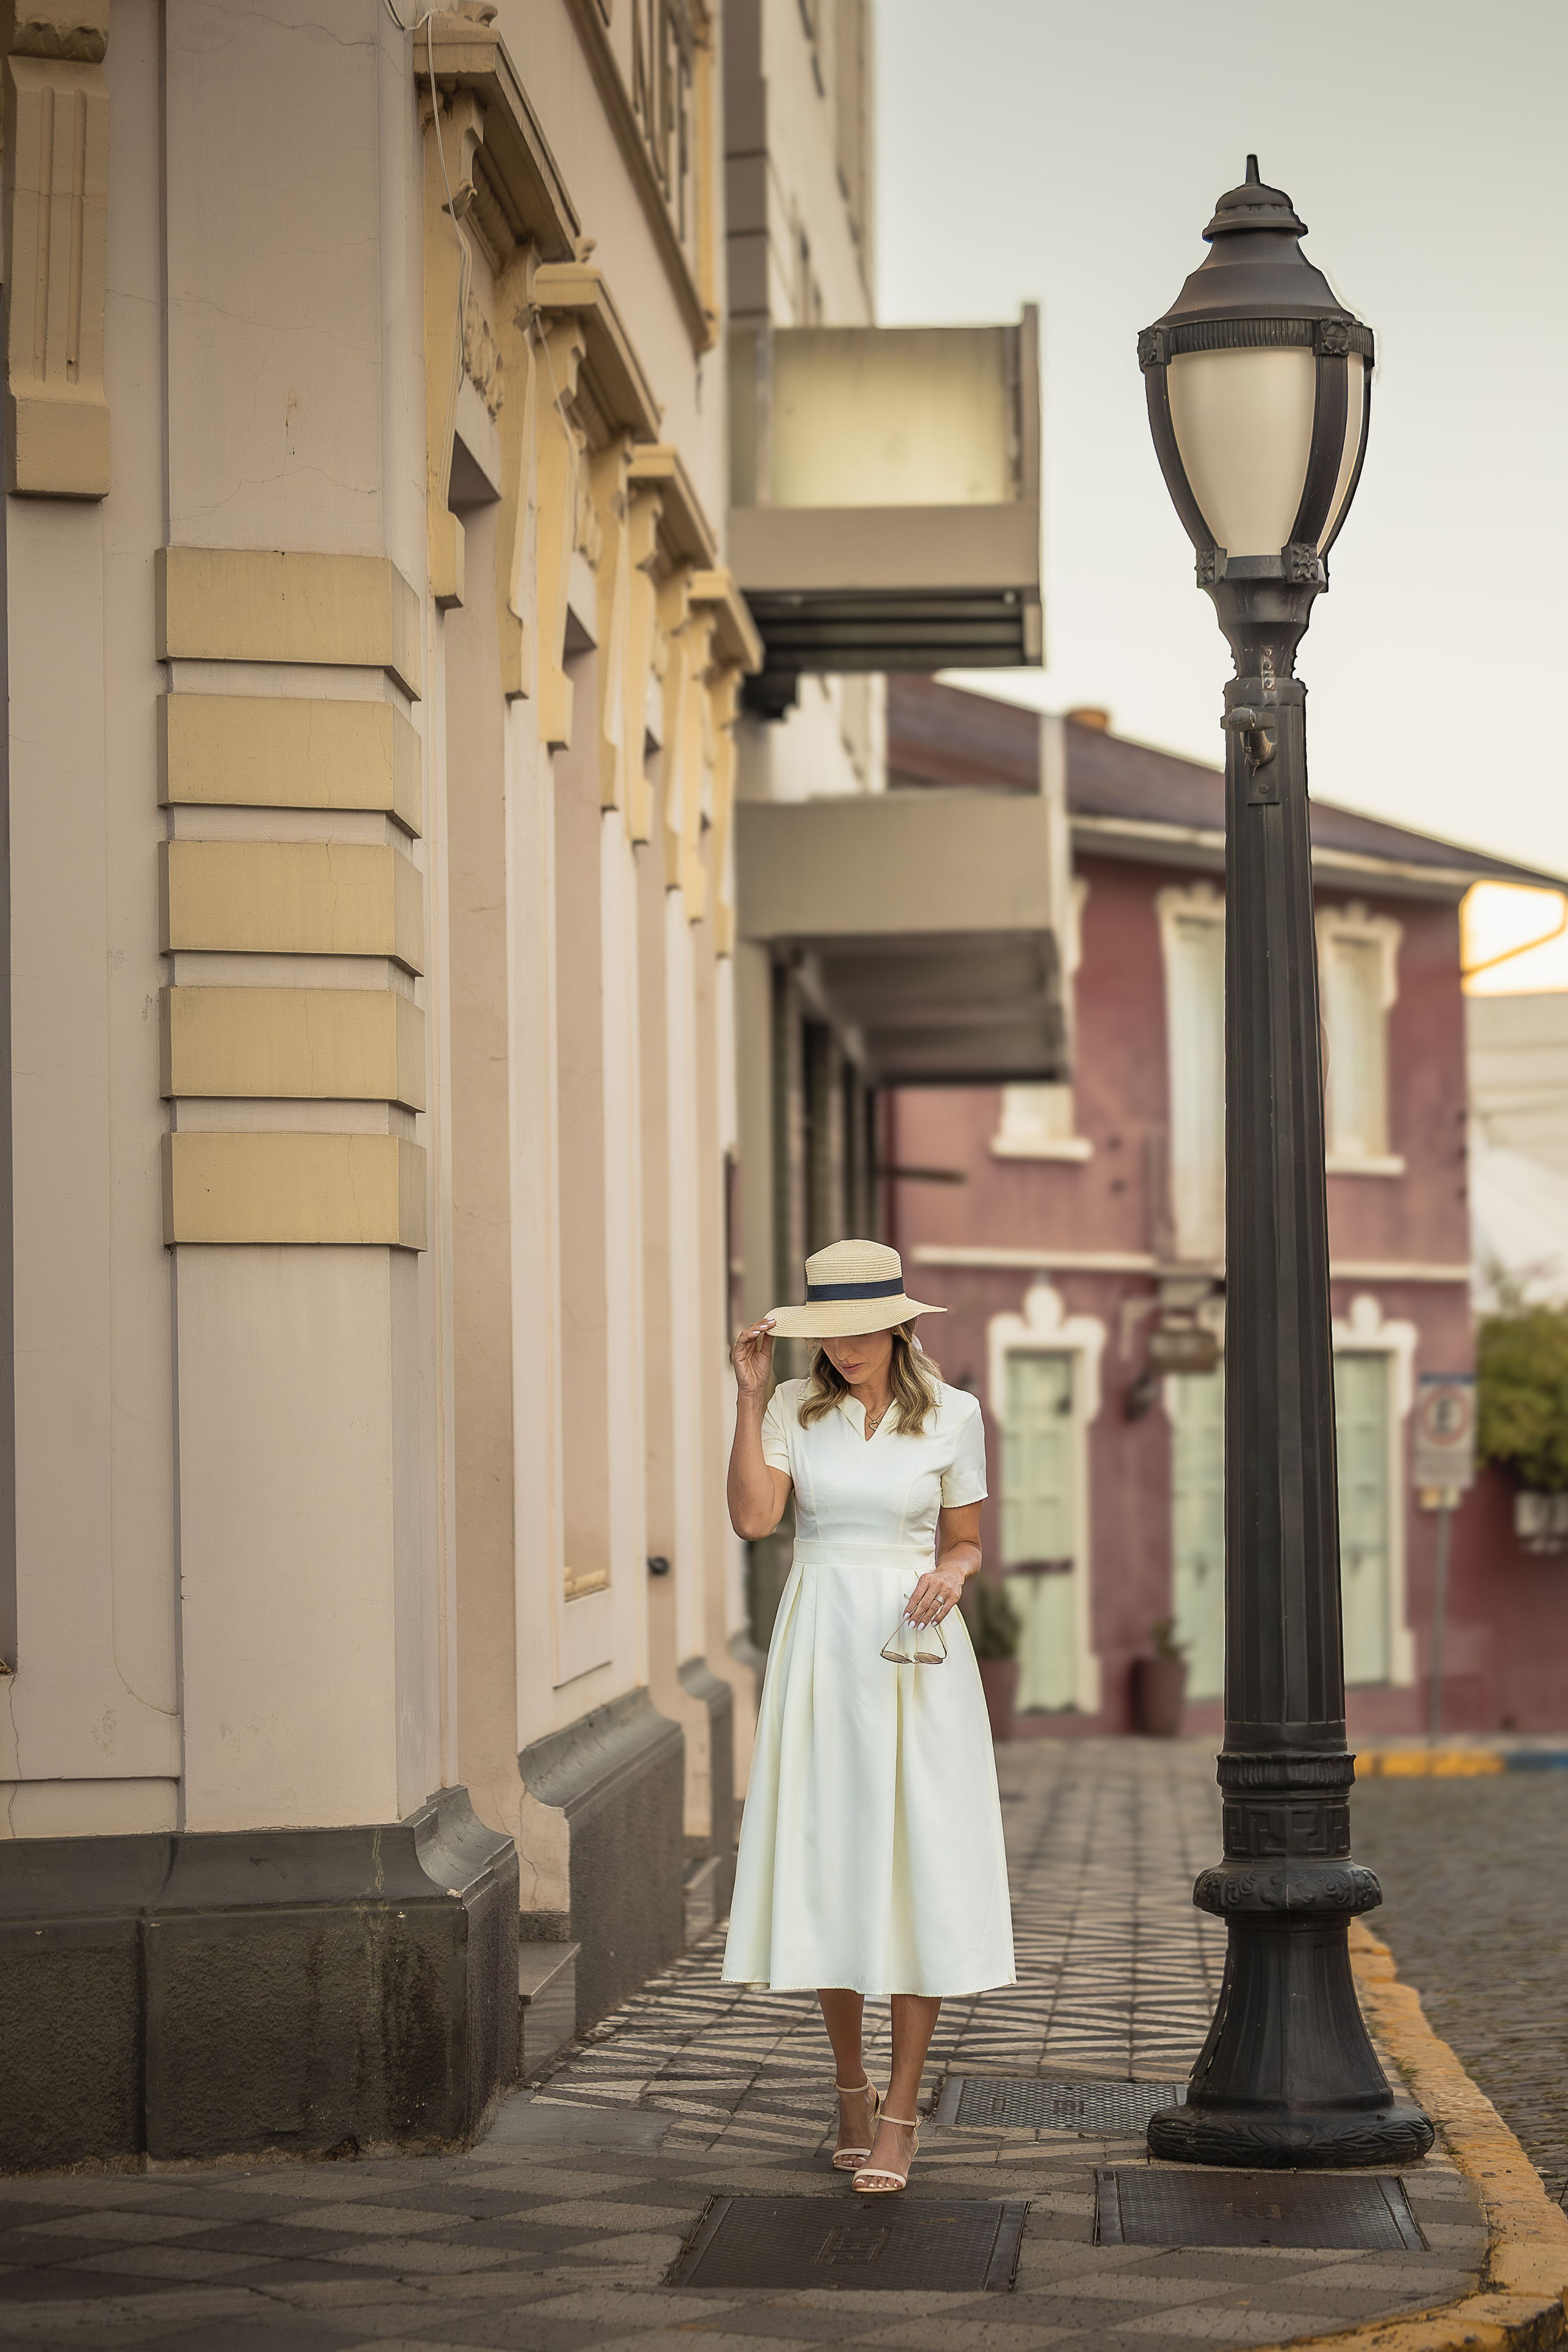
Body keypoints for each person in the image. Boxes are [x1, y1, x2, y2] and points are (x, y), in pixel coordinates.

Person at [722, 1238, 1015, 2195]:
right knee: (835, 1859)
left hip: (914, 1652)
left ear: (896, 1324)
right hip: (820, 1646)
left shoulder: (956, 1415)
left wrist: (950, 1575)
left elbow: (967, 1542)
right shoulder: (793, 1412)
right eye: (826, 1332)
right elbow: (755, 1522)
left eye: (857, 1330)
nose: (843, 1349)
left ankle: (900, 2111)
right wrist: (748, 1391)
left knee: (916, 1862)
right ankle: (847, 2090)